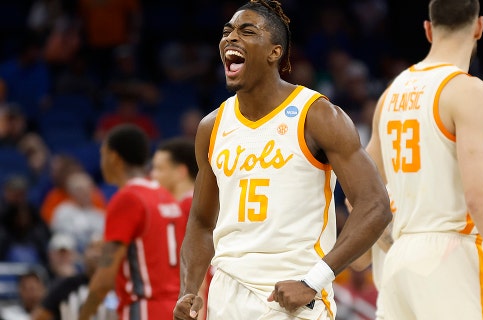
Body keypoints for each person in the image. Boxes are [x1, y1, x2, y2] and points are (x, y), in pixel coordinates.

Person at [173, 1, 392, 319]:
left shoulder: (316, 114)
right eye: (227, 31)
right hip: (226, 294)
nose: (231, 38)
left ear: (275, 52)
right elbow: (202, 222)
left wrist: (314, 280)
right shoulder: (211, 126)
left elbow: (375, 205)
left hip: (293, 296)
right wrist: (189, 290)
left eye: (247, 31)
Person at [364, 0, 483, 318]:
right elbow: (480, 198)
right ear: (479, 26)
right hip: (450, 256)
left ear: (428, 29)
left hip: (399, 260)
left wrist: (387, 240)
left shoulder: (391, 93)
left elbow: (363, 191)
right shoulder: (468, 91)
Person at [78, 124, 188, 320]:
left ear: (114, 157)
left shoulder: (128, 198)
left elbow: (104, 278)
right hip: (175, 308)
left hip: (145, 308)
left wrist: (83, 315)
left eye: (103, 153)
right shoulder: (165, 196)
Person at [151, 137, 212, 320]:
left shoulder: (186, 206)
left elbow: (196, 264)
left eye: (159, 169)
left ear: (181, 172)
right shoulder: (196, 202)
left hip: (202, 296)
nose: (153, 175)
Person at [32, 236, 117, 320]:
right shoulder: (67, 285)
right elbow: (40, 315)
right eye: (92, 248)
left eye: (102, 249)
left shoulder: (118, 286)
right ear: (84, 254)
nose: (97, 254)